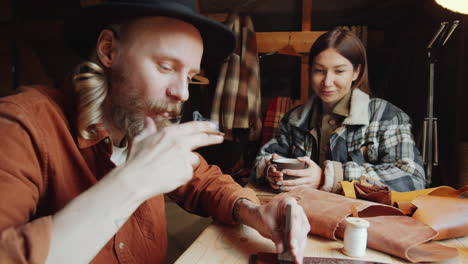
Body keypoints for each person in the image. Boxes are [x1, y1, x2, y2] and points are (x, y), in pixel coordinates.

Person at [0, 1, 310, 263]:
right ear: (108, 50)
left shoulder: (142, 125)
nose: (183, 93)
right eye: (165, 66)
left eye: (189, 76)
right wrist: (130, 182)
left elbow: (202, 181)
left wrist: (253, 211)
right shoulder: (21, 126)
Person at [254, 28, 426, 193]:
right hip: (305, 213)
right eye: (319, 71)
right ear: (310, 70)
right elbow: (264, 159)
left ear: (356, 72)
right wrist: (270, 169)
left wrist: (329, 177)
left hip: (363, 219)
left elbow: (412, 178)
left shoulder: (386, 116)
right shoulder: (294, 119)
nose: (327, 82)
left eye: (339, 71)